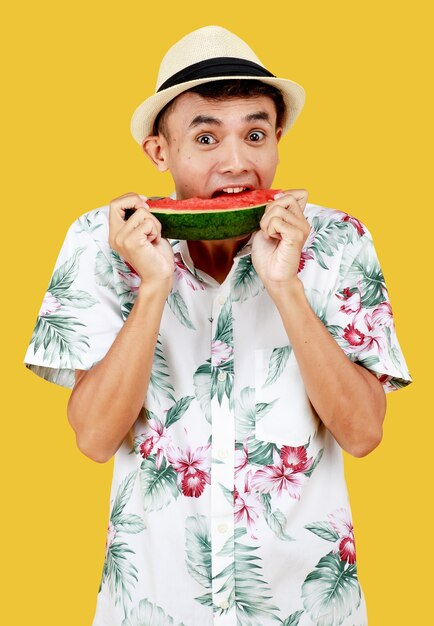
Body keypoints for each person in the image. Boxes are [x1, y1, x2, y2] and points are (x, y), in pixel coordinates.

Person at [24, 25, 412, 626]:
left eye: (255, 134)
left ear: (278, 138)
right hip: (152, 612)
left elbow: (363, 433)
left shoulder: (339, 243)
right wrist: (153, 286)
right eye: (205, 137)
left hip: (303, 613)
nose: (237, 162)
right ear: (159, 151)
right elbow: (94, 438)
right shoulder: (98, 245)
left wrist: (285, 286)